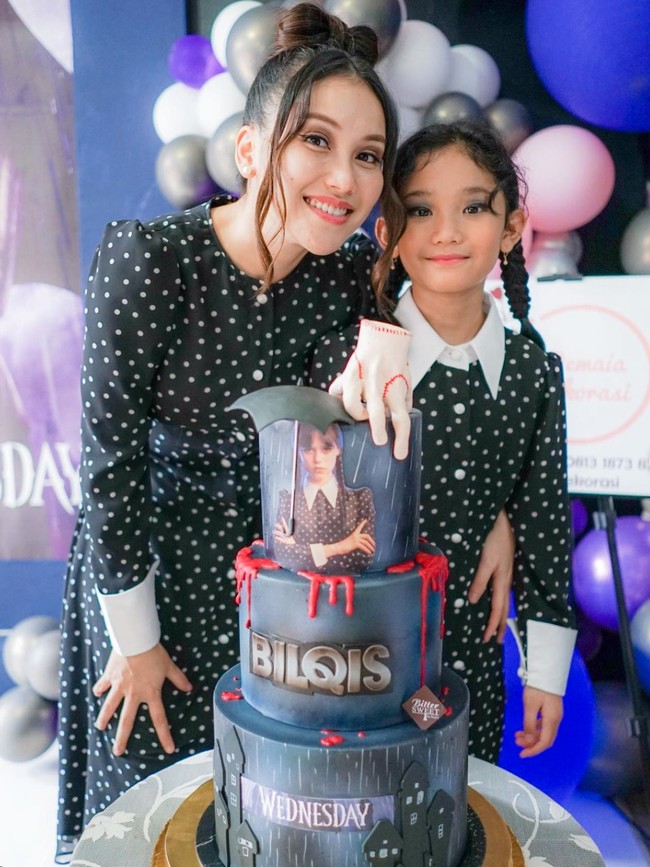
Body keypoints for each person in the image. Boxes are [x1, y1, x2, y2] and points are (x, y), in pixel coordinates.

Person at [56, 4, 412, 855]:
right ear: (250, 151)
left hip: (279, 599)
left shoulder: (346, 279)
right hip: (152, 574)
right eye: (316, 140)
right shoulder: (153, 259)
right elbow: (108, 465)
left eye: (368, 155)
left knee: (263, 816)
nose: (346, 176)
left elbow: (359, 428)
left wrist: (388, 330)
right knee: (150, 814)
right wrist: (135, 642)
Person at [370, 120, 578, 763]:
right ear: (387, 233)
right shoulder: (354, 358)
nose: (446, 232)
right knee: (366, 807)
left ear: (512, 228)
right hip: (355, 666)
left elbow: (544, 520)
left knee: (452, 801)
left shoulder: (533, 373)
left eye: (473, 208)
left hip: (469, 672)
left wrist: (545, 674)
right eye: (420, 210)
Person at [273, 422, 376, 574]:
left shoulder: (359, 500)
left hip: (350, 586)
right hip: (300, 586)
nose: (318, 459)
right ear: (297, 452)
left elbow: (361, 559)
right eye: (308, 450)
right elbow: (285, 555)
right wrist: (342, 547)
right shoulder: (288, 502)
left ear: (338, 449)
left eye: (326, 448)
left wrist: (299, 550)